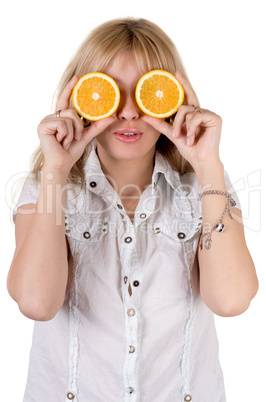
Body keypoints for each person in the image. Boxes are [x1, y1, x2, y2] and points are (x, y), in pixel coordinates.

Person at [7, 17, 258, 402]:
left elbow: (232, 300)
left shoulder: (206, 189)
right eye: (108, 92)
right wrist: (56, 169)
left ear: (174, 97)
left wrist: (209, 166)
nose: (127, 112)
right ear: (81, 99)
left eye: (146, 92)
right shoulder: (47, 188)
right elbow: (37, 303)